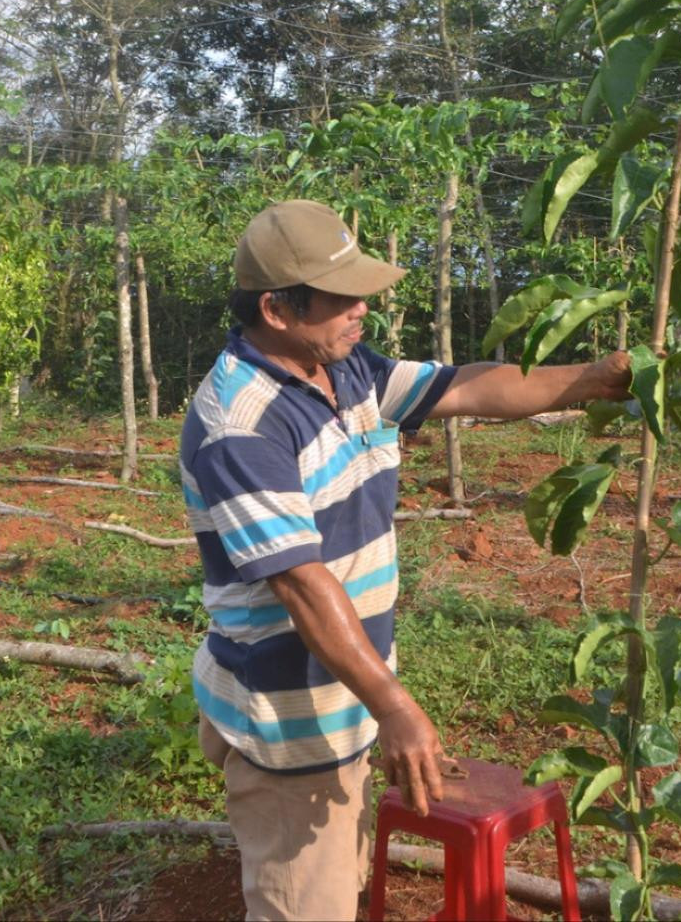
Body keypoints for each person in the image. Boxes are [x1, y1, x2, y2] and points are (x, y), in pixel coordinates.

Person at [180, 199, 630, 921]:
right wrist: (393, 705)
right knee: (303, 900)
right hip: (293, 714)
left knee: (337, 877)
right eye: (342, 297)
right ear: (277, 309)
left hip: (342, 694)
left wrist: (601, 377)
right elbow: (300, 582)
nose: (363, 309)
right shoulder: (241, 424)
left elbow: (473, 386)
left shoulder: (348, 369)